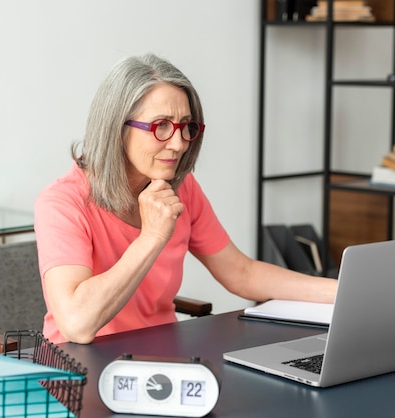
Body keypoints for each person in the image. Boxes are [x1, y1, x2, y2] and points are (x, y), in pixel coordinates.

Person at [34, 53, 337, 344]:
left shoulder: (182, 187)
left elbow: (241, 273)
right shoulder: (62, 203)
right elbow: (77, 325)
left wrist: (347, 292)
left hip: (162, 365)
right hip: (79, 371)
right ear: (116, 128)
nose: (178, 144)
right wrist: (152, 236)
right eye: (160, 126)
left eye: (185, 126)